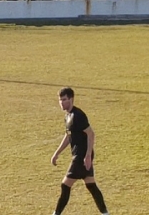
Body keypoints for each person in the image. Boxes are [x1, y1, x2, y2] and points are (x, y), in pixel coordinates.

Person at [50, 87, 110, 215]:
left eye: (64, 100)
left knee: (65, 186)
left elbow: (91, 134)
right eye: (60, 100)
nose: (61, 102)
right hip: (82, 156)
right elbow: (68, 136)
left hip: (81, 157)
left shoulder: (78, 115)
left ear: (71, 99)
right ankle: (106, 213)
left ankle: (56, 213)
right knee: (91, 185)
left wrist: (88, 155)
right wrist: (57, 153)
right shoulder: (67, 117)